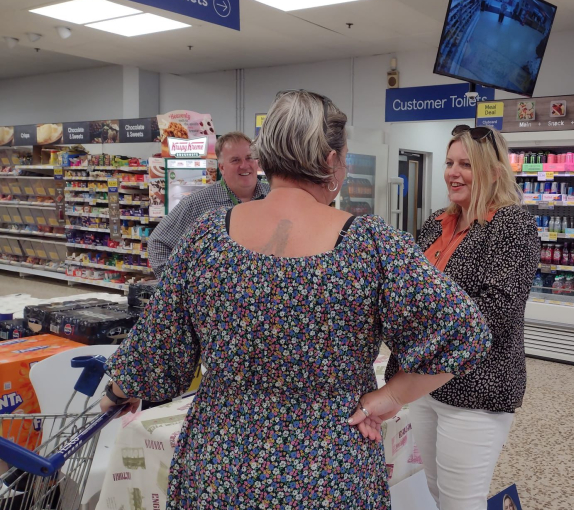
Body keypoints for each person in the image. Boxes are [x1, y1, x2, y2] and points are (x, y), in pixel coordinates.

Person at [100, 91, 492, 509]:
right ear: (329, 160)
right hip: (330, 467)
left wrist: (117, 391)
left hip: (220, 464)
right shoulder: (372, 244)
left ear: (267, 156)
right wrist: (391, 398)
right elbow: (464, 332)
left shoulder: (205, 236)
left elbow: (155, 354)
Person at [385, 125, 540, 510]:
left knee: (461, 502)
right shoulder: (436, 222)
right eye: (450, 162)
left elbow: (495, 311)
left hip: (476, 390)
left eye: (466, 165)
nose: (452, 172)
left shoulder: (511, 225)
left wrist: (423, 335)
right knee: (436, 492)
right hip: (424, 384)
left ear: (494, 172)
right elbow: (408, 292)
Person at [147, 131, 269, 277]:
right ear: (222, 168)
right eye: (235, 160)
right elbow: (158, 242)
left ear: (257, 162)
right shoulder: (198, 202)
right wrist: (175, 284)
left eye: (249, 158)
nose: (244, 165)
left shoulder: (273, 196)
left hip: (266, 292)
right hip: (219, 297)